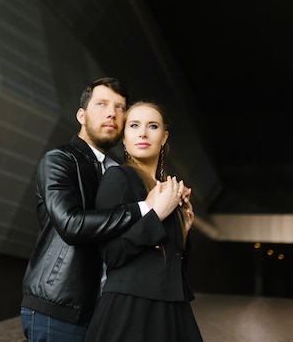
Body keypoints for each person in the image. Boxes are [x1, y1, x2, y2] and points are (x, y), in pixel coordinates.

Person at [20, 78, 183, 342]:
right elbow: (71, 224)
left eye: (120, 107)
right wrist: (146, 207)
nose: (112, 113)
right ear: (81, 115)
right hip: (59, 307)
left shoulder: (121, 172)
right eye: (102, 104)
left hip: (102, 310)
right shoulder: (60, 160)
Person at [84, 100, 204, 342]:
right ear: (124, 138)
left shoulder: (168, 189)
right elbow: (112, 254)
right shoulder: (118, 178)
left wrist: (184, 231)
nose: (143, 133)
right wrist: (156, 215)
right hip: (130, 307)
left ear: (164, 137)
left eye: (153, 126)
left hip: (172, 307)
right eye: (134, 125)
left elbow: (171, 263)